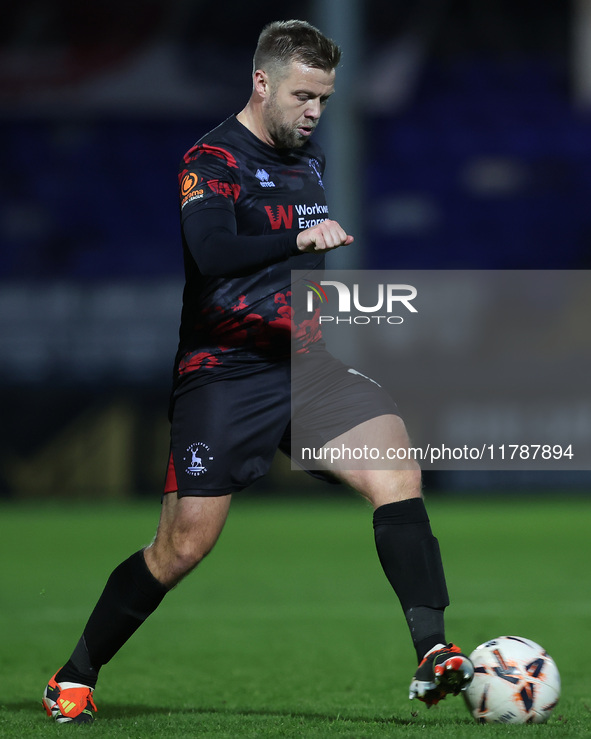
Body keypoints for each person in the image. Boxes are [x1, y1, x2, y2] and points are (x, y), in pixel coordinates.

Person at [42, 19, 473, 725]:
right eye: (303, 95)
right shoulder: (210, 160)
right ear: (261, 82)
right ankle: (76, 673)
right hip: (224, 372)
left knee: (396, 468)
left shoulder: (311, 159)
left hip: (306, 368)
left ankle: (432, 651)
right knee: (181, 547)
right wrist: (297, 236)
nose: (314, 111)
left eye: (325, 98)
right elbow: (210, 250)